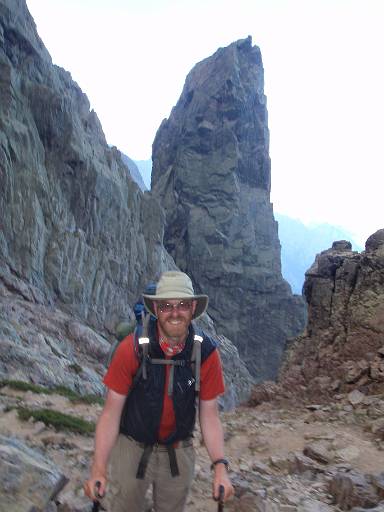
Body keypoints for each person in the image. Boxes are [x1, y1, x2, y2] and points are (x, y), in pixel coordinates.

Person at [84, 271, 234, 512]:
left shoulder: (205, 353)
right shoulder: (130, 349)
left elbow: (209, 415)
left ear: (193, 307)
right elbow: (111, 413)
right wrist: (98, 468)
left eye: (182, 305)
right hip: (132, 447)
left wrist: (220, 467)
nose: (175, 313)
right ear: (156, 308)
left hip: (178, 451)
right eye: (166, 306)